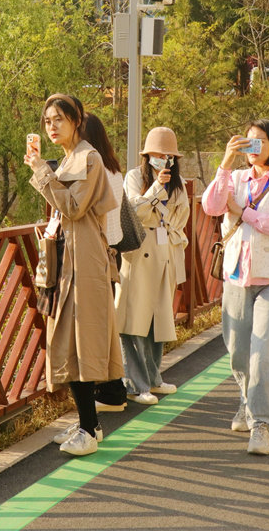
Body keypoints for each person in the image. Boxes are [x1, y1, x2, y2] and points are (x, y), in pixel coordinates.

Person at [202, 119, 269, 456]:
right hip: (236, 276)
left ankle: (261, 423)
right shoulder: (234, 178)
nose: (253, 147)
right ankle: (246, 403)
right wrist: (225, 162)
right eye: (248, 142)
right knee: (238, 355)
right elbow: (211, 207)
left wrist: (243, 211)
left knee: (264, 358)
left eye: (260, 142)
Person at [25, 94, 121, 456]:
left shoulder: (88, 158)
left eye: (59, 120)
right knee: (68, 336)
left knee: (81, 338)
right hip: (68, 260)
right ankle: (89, 424)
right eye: (48, 120)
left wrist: (40, 171)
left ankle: (88, 427)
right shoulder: (70, 158)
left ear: (77, 121)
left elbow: (75, 207)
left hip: (84, 262)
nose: (52, 126)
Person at [118, 127, 190, 404]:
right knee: (133, 320)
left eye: (168, 155)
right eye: (158, 155)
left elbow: (181, 215)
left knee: (159, 321)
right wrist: (157, 187)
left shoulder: (179, 182)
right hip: (139, 254)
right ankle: (136, 383)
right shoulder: (134, 177)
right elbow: (134, 211)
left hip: (166, 253)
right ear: (147, 156)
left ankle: (153, 377)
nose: (164, 160)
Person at [79, 111, 130, 416]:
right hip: (111, 251)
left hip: (96, 254)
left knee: (96, 328)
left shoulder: (93, 168)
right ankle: (112, 390)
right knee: (105, 324)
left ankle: (110, 391)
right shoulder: (113, 168)